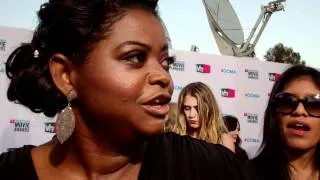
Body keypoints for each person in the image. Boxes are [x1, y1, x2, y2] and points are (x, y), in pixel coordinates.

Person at [0, 0, 247, 179]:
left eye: (166, 62)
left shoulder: (207, 167)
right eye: (135, 57)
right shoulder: (10, 172)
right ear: (66, 76)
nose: (164, 77)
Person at [247, 65, 320, 180]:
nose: (299, 111)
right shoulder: (243, 174)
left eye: (314, 104)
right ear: (275, 114)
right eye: (287, 102)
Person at [173, 82, 235, 152]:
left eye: (198, 108)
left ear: (209, 109)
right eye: (187, 108)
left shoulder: (224, 140)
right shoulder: (176, 138)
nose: (191, 115)